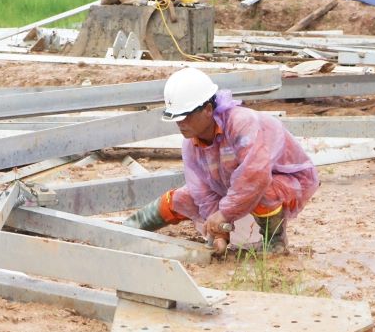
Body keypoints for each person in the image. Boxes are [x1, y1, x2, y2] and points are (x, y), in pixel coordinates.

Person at [124, 67, 319, 254]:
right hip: (232, 190)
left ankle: (274, 242)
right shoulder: (191, 144)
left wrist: (224, 214)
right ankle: (128, 229)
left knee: (262, 187)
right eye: (177, 118)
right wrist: (218, 231)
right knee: (180, 198)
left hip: (285, 183)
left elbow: (255, 175)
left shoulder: (241, 124)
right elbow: (201, 192)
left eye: (186, 116)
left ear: (208, 109)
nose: (181, 124)